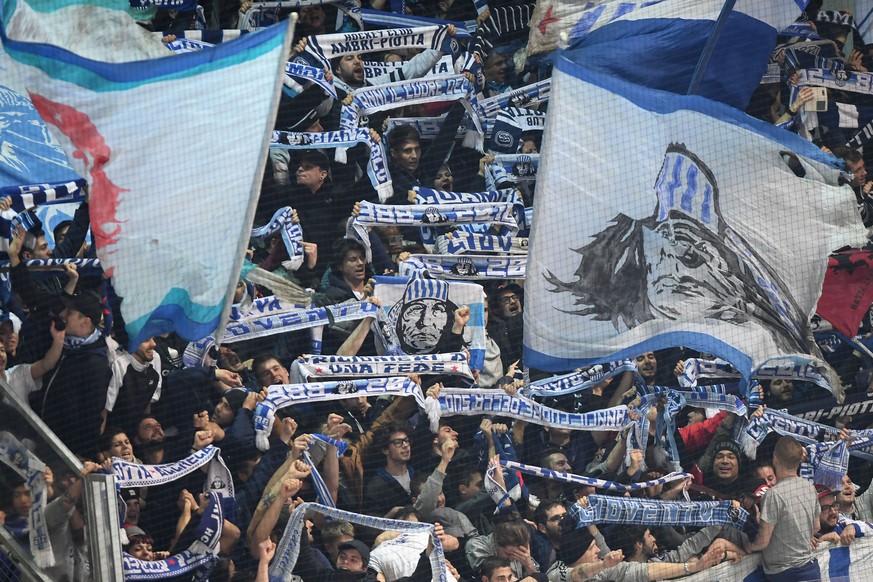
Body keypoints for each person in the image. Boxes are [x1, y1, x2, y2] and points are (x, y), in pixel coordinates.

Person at [744, 435, 820, 581]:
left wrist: (750, 546)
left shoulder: (774, 495)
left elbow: (763, 541)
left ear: (775, 459)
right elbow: (815, 527)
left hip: (785, 573)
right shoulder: (809, 487)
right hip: (811, 570)